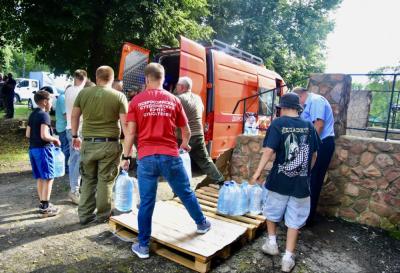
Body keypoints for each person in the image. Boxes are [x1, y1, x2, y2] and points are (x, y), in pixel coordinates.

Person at [121, 63, 211, 259]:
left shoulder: (136, 101)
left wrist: (126, 157)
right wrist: (184, 145)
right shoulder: (174, 100)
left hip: (145, 157)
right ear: (163, 79)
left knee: (146, 202)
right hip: (170, 155)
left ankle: (143, 246)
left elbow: (130, 133)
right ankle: (202, 224)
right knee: (185, 192)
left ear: (146, 79)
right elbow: (186, 130)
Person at [250, 92, 319, 272]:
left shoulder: (278, 123)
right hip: (301, 184)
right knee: (294, 220)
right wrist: (305, 172)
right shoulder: (309, 126)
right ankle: (287, 259)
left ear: (283, 107)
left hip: (279, 180)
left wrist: (257, 173)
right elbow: (314, 155)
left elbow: (268, 151)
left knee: (271, 210)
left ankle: (272, 243)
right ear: (297, 108)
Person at [71, 65, 128, 225]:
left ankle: (84, 215)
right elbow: (126, 125)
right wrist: (129, 148)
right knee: (105, 180)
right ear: (112, 78)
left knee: (88, 179)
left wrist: (75, 135)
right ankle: (103, 216)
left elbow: (75, 115)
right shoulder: (119, 96)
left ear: (96, 78)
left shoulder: (83, 93)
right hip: (109, 145)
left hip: (88, 143)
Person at [292, 87, 335, 225]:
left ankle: (308, 218)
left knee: (314, 180)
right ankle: (302, 215)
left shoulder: (316, 101)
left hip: (322, 144)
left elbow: (319, 125)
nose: (298, 105)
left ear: (301, 95)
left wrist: (309, 146)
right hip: (315, 143)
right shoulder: (307, 104)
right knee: (307, 178)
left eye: (297, 101)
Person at [175, 76, 224, 188]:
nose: (176, 87)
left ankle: (179, 189)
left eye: (178, 85)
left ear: (182, 87)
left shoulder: (179, 99)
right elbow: (201, 110)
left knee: (177, 163)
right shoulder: (197, 98)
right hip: (198, 134)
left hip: (184, 137)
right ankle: (220, 181)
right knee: (205, 161)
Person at [26, 90, 61, 217]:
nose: (52, 103)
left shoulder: (33, 114)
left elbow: (28, 134)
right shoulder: (44, 115)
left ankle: (43, 203)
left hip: (33, 149)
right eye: (51, 100)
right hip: (43, 150)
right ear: (45, 102)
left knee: (41, 177)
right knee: (48, 177)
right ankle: (45, 207)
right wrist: (55, 139)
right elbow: (44, 135)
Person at [65, 69, 87, 204]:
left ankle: (75, 188)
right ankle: (74, 190)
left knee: (74, 160)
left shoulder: (68, 90)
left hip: (69, 128)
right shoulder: (81, 92)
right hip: (78, 130)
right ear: (84, 78)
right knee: (78, 161)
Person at [55, 88, 69, 172]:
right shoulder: (63, 98)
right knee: (65, 148)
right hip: (63, 127)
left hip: (60, 126)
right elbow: (65, 115)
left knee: (64, 147)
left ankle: (62, 166)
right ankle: (64, 167)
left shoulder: (61, 97)